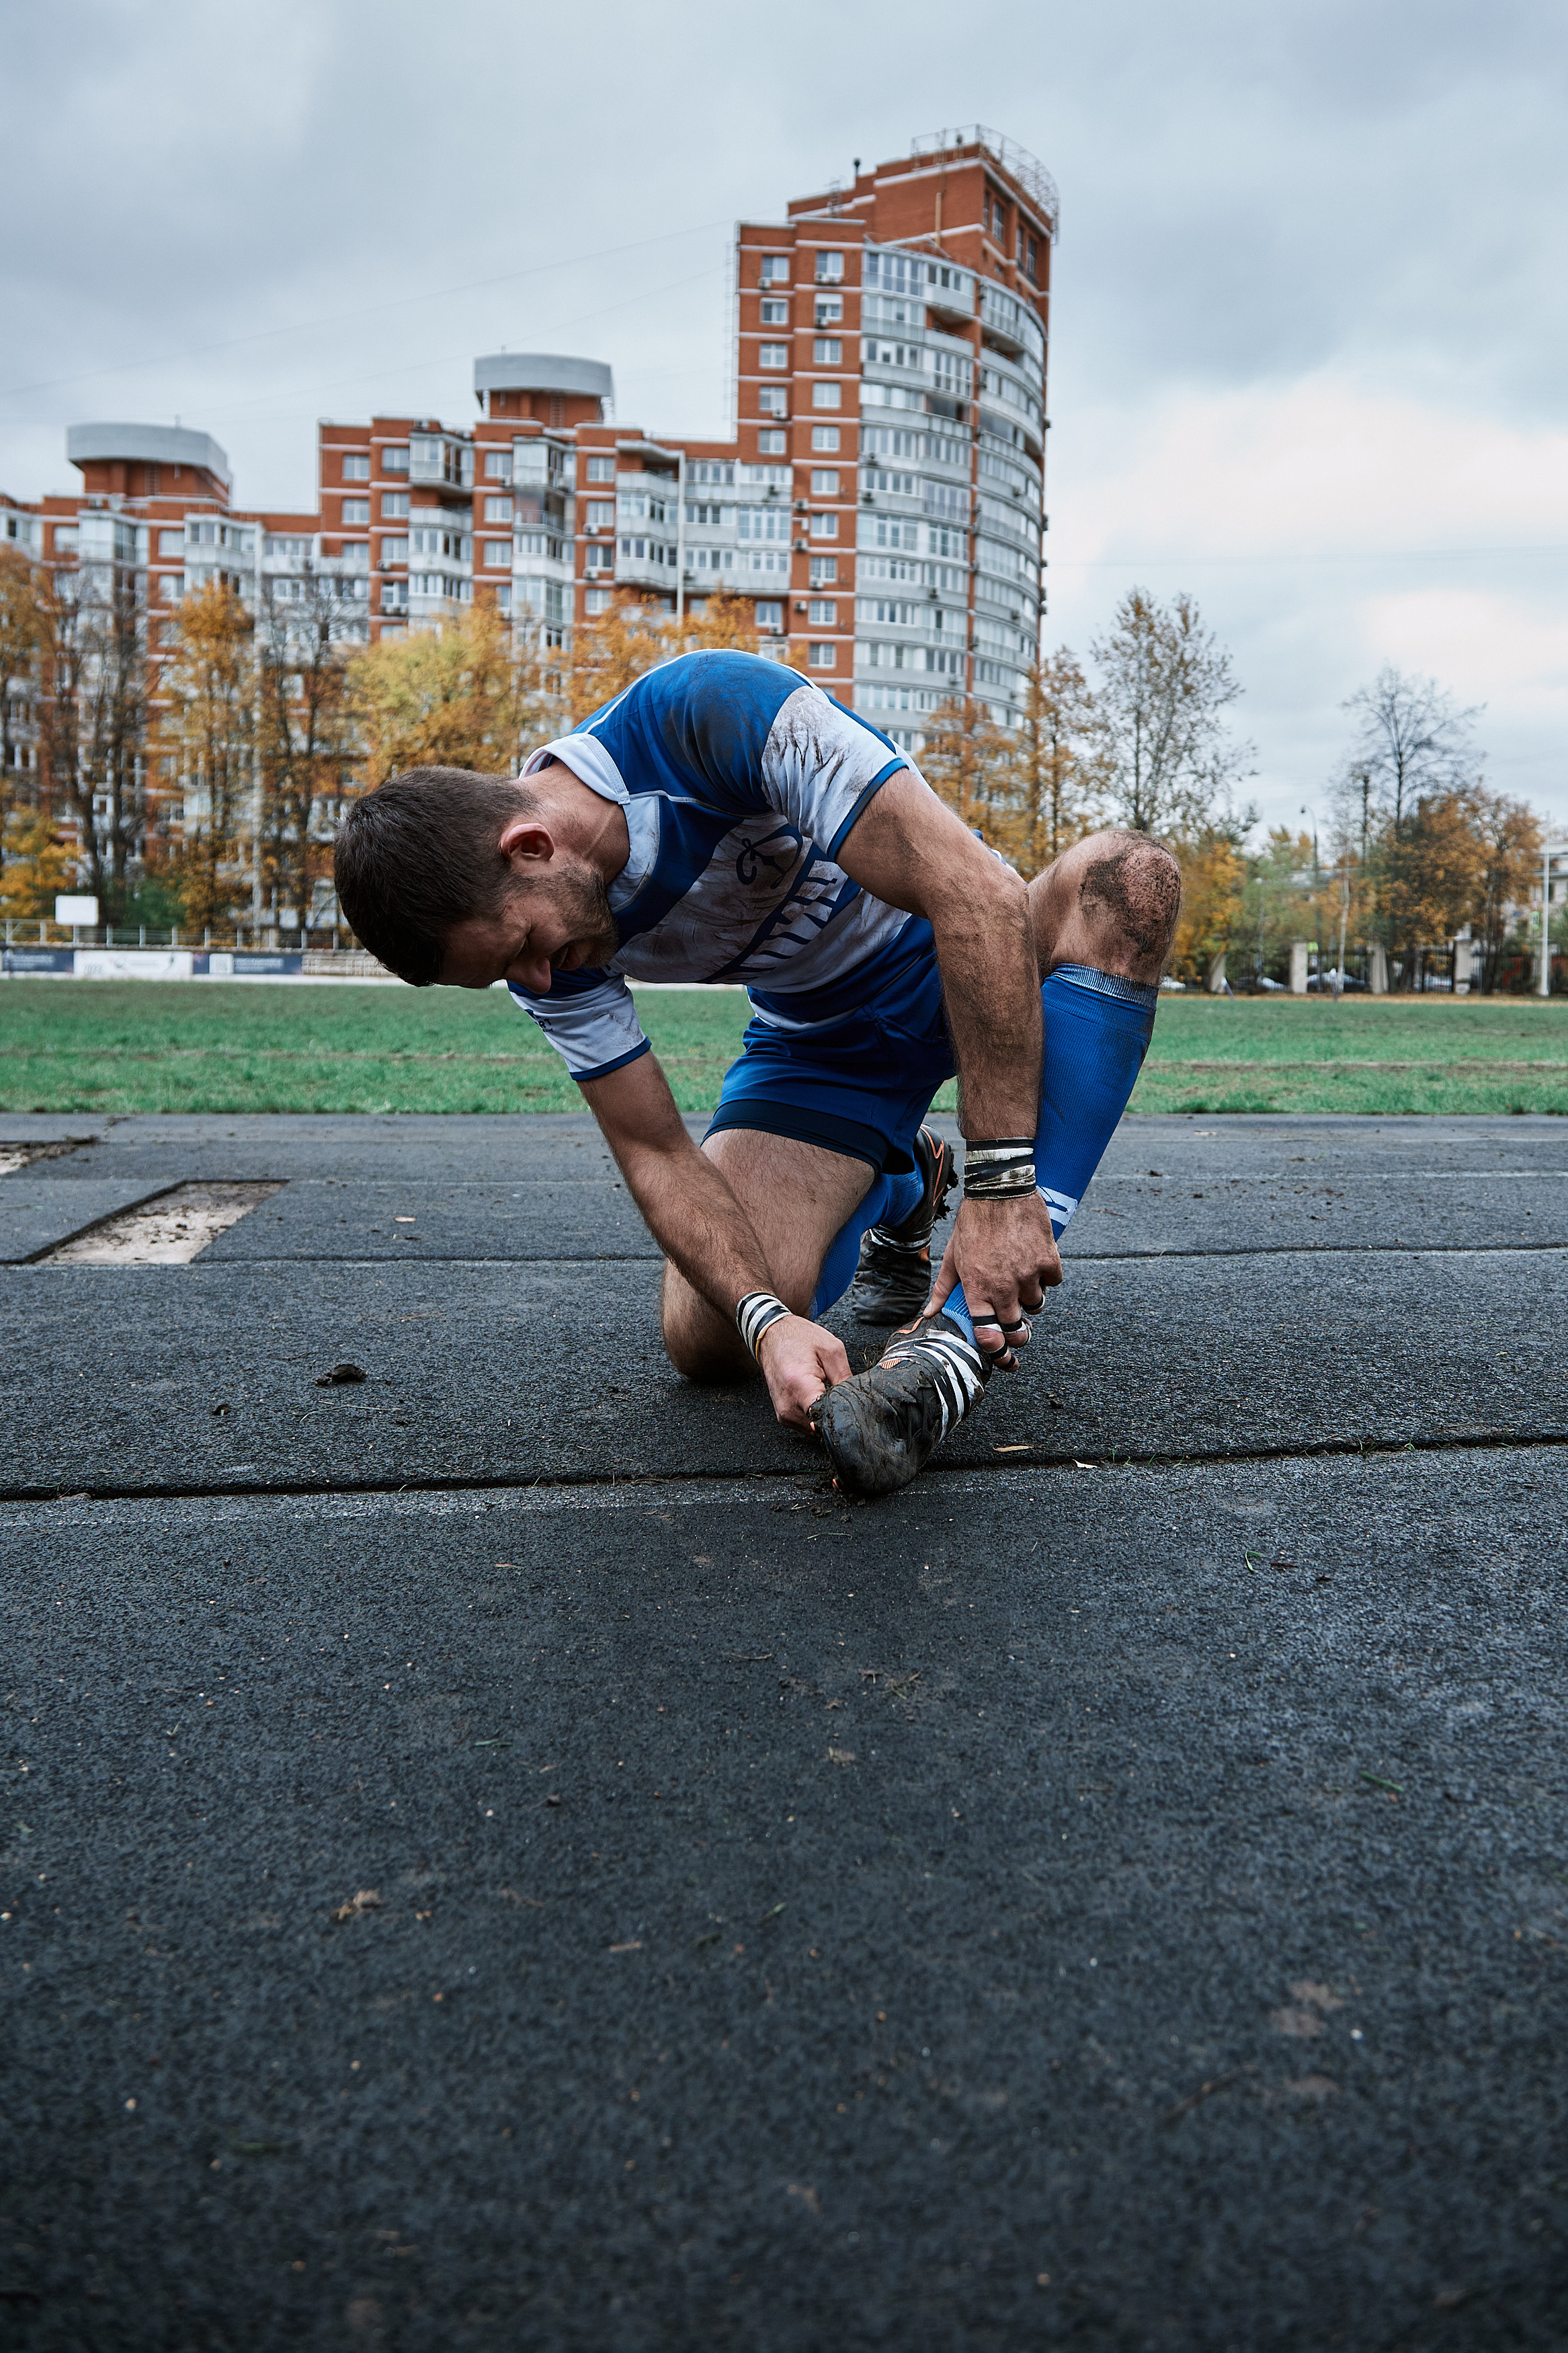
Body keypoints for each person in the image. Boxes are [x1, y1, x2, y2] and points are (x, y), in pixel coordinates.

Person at [333, 649, 1179, 1498]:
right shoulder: (549, 944)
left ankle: (952, 1343)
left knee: (1130, 880)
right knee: (705, 1339)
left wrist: (1001, 1185)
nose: (537, 984)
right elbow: (654, 1149)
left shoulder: (711, 713)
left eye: (522, 951)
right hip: (822, 1047)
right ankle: (900, 1179)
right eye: (509, 975)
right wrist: (767, 1321)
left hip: (973, 955)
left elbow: (977, 895)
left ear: (529, 845)